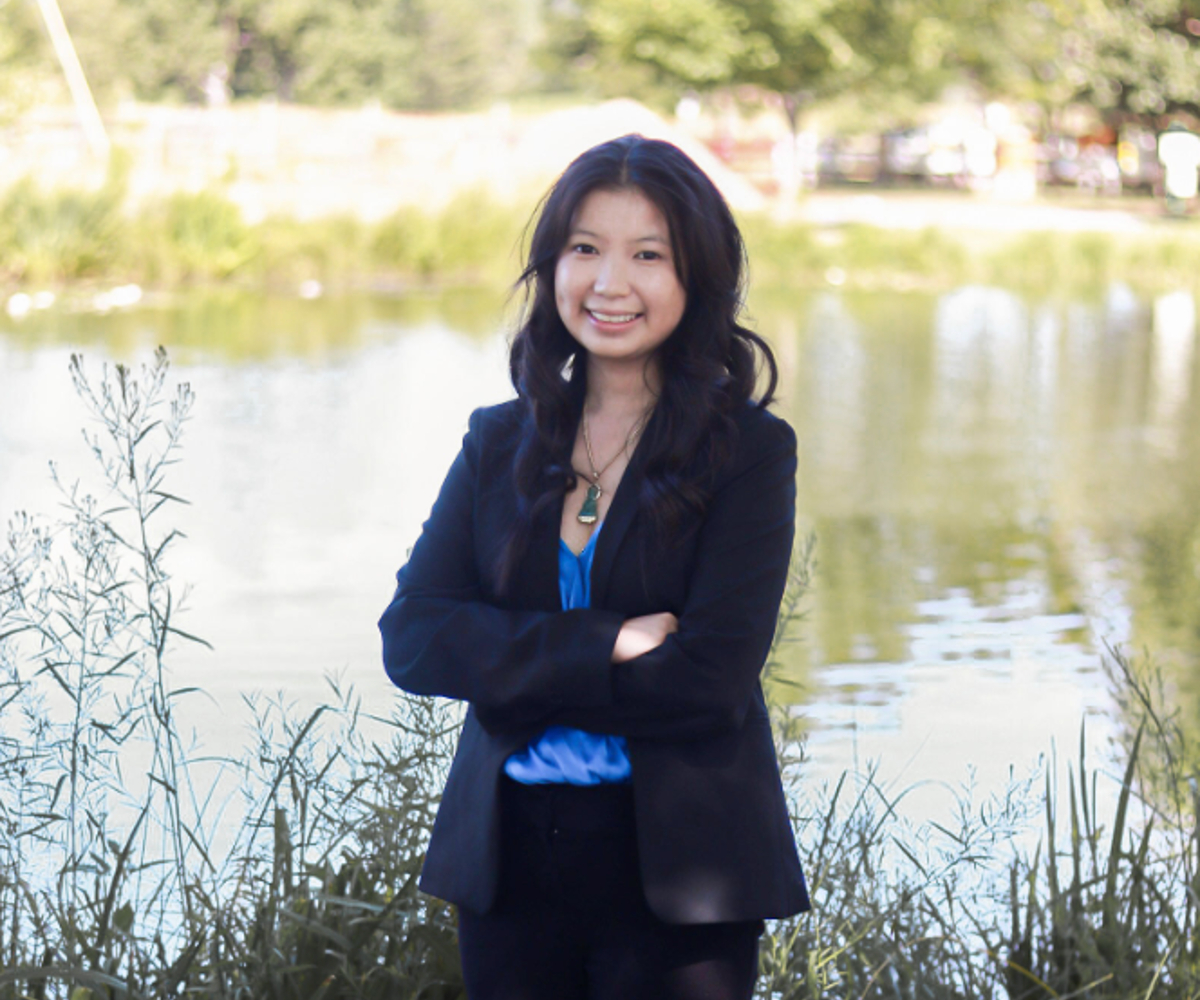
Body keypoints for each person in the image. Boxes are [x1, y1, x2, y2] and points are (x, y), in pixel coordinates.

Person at [379, 134, 810, 999]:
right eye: (585, 249)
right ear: (552, 267)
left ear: (699, 276)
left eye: (648, 254)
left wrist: (507, 661)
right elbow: (415, 642)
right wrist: (606, 642)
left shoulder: (750, 454)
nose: (609, 285)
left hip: (681, 874)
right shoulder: (498, 439)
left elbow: (711, 679)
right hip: (507, 867)